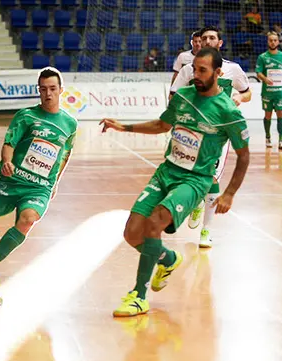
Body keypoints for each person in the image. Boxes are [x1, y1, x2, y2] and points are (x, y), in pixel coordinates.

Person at [100, 48, 251, 317]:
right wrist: (124, 127)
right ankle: (169, 259)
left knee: (155, 223)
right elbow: (162, 125)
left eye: (203, 70)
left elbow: (244, 155)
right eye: (194, 68)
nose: (196, 74)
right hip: (166, 172)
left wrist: (229, 193)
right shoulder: (182, 97)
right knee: (132, 232)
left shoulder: (228, 111)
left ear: (218, 73)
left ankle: (139, 296)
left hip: (194, 180)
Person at [0, 67, 77, 283]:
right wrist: (6, 161)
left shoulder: (70, 124)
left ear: (61, 90)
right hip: (12, 181)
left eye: (52, 88)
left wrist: (55, 183)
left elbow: (65, 154)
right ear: (38, 90)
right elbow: (9, 144)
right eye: (43, 89)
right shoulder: (26, 116)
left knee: (27, 219)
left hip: (39, 186)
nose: (48, 93)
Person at [171, 26, 251, 248]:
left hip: (218, 134)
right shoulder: (189, 70)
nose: (207, 40)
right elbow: (174, 95)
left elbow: (248, 92)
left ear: (220, 42)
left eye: (212, 38)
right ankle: (196, 201)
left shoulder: (233, 69)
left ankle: (206, 230)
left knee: (212, 178)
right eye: (204, 38)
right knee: (188, 177)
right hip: (191, 133)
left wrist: (239, 97)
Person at [256, 31, 282, 151]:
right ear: (268, 41)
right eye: (271, 40)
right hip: (267, 92)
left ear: (278, 41)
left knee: (281, 114)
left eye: (275, 40)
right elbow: (258, 72)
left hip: (280, 91)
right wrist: (265, 79)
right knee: (268, 115)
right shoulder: (262, 57)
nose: (273, 42)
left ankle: (281, 140)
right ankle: (268, 137)